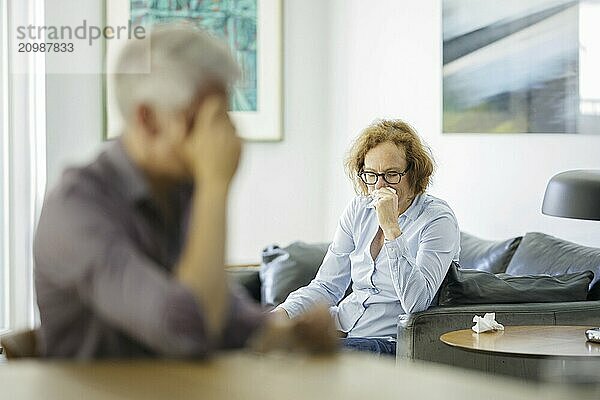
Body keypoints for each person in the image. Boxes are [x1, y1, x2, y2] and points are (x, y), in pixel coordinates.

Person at [34, 24, 335, 358]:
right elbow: (187, 331)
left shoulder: (178, 189)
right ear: (148, 120)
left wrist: (286, 332)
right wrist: (215, 185)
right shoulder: (75, 207)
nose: (223, 133)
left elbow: (218, 310)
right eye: (207, 118)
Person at [273, 120, 460, 356]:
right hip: (345, 332)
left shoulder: (437, 219)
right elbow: (326, 286)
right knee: (264, 345)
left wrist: (392, 228)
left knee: (302, 356)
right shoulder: (359, 209)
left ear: (414, 172)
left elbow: (418, 303)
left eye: (391, 174)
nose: (379, 185)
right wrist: (282, 314)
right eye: (371, 174)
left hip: (392, 343)